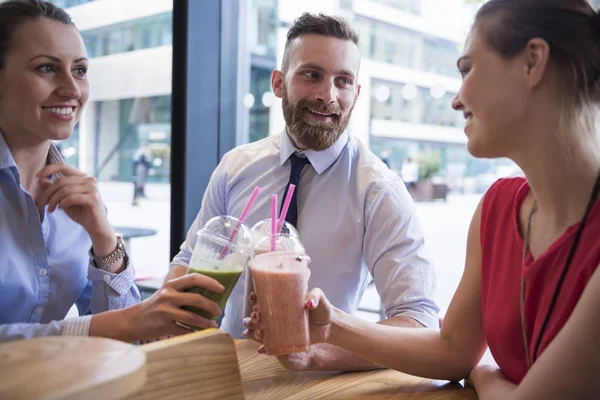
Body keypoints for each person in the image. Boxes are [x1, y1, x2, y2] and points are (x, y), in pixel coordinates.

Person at [250, 0, 600, 398]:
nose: (456, 99)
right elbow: (451, 351)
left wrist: (487, 375)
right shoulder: (498, 209)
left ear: (532, 62)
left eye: (467, 70)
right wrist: (332, 329)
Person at [166, 12, 439, 371]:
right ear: (279, 83)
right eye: (312, 75)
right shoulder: (236, 167)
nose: (328, 95)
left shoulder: (378, 190)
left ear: (356, 94)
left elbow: (419, 323)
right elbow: (189, 262)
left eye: (343, 81)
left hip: (327, 383)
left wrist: (313, 354)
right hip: (232, 372)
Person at [0, 0, 224, 343]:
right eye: (46, 68)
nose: (72, 90)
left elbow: (126, 339)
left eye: (79, 70)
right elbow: (116, 327)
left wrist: (105, 241)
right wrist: (103, 327)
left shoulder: (78, 196)